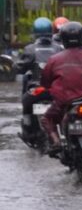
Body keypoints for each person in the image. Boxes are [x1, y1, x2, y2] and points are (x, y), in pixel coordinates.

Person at [39, 22, 82, 153]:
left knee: (47, 118)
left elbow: (45, 82)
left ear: (63, 39)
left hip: (64, 102)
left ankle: (56, 141)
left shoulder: (54, 59)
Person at [17, 17, 62, 145]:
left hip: (37, 90)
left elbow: (20, 67)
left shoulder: (30, 49)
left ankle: (29, 129)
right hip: (56, 90)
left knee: (25, 102)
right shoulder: (59, 48)